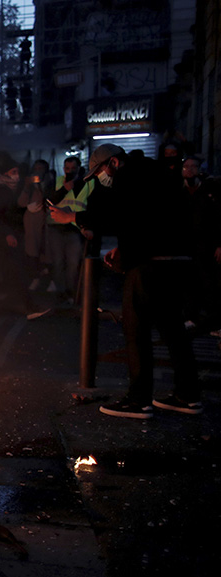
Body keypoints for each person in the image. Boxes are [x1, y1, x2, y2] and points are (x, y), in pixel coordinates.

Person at [50, 143, 201, 418]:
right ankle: (188, 395)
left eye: (99, 172)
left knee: (136, 329)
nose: (100, 178)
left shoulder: (129, 178)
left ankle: (138, 400)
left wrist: (72, 216)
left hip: (149, 264)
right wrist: (126, 247)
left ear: (113, 163)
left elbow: (115, 214)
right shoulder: (153, 173)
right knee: (172, 329)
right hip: (174, 258)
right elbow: (142, 220)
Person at [0, 156, 50, 320]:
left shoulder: (11, 188)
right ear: (5, 173)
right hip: (0, 239)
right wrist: (7, 234)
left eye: (17, 172)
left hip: (8, 236)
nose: (16, 175)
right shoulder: (0, 189)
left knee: (16, 271)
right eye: (13, 172)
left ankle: (27, 306)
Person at [180, 155, 221, 332]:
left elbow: (218, 218)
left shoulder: (208, 191)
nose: (189, 170)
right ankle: (191, 316)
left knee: (209, 282)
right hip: (187, 245)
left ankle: (213, 320)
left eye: (193, 167)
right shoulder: (181, 191)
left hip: (206, 244)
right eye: (186, 167)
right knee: (189, 282)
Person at [46, 156, 94, 300]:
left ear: (79, 168)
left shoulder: (88, 183)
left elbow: (91, 205)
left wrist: (86, 226)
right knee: (58, 262)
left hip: (75, 228)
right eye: (67, 169)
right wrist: (65, 188)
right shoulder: (58, 181)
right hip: (57, 227)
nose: (70, 171)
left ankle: (71, 292)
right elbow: (49, 200)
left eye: (73, 169)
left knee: (73, 263)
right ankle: (60, 293)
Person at [16, 159, 52, 292]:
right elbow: (21, 203)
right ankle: (35, 279)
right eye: (36, 168)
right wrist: (27, 186)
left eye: (41, 169)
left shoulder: (50, 184)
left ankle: (48, 281)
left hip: (46, 225)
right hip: (31, 226)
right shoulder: (29, 187)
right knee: (32, 254)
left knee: (47, 255)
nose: (38, 172)